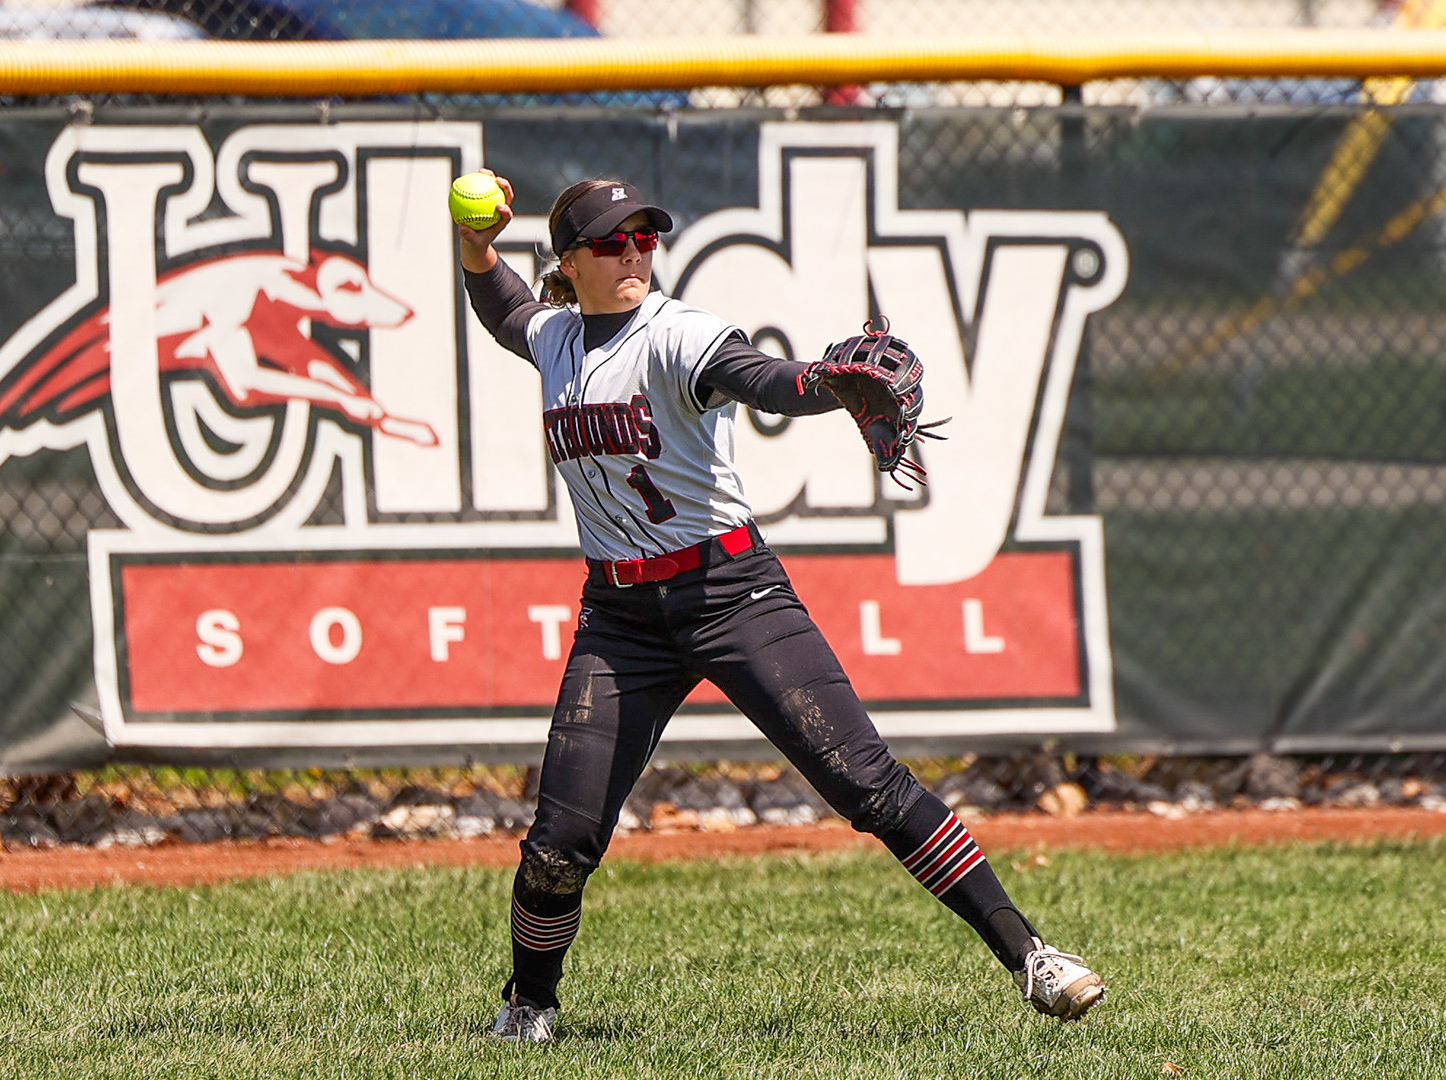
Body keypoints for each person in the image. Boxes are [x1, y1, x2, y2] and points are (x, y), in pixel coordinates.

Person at [456, 171, 1105, 1043]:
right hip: (620, 619)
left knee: (867, 785)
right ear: (569, 262)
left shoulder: (677, 333)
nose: (634, 253)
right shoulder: (556, 338)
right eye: (611, 241)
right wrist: (476, 247)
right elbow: (506, 310)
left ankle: (1032, 956)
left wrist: (829, 385)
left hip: (732, 594)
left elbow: (759, 378)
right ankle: (528, 1006)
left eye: (645, 236)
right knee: (557, 842)